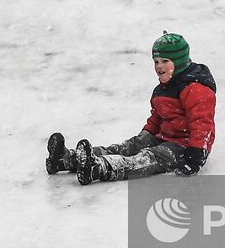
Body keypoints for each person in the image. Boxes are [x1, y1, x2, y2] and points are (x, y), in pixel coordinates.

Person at [46, 32, 216, 185]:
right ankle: (69, 159)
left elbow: (202, 124)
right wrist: (144, 136)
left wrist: (196, 155)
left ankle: (100, 167)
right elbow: (157, 117)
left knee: (147, 158)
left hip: (184, 147)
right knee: (126, 147)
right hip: (162, 137)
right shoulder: (163, 88)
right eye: (156, 62)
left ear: (179, 63)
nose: (159, 66)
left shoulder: (196, 88)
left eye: (165, 61)